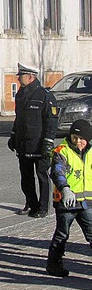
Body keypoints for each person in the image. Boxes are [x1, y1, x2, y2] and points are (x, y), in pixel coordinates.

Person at [8, 63, 58, 218]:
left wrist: (48, 142)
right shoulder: (21, 95)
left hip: (39, 145)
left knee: (42, 176)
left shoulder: (45, 96)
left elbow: (51, 121)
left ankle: (43, 208)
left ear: (30, 77)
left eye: (21, 75)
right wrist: (13, 136)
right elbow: (19, 120)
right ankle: (32, 203)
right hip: (24, 145)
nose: (18, 78)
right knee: (26, 177)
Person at [46, 119, 92, 277]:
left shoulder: (91, 152)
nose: (78, 141)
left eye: (81, 138)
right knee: (62, 233)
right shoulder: (62, 151)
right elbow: (57, 172)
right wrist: (65, 189)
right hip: (66, 202)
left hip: (86, 202)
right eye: (74, 137)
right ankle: (54, 264)